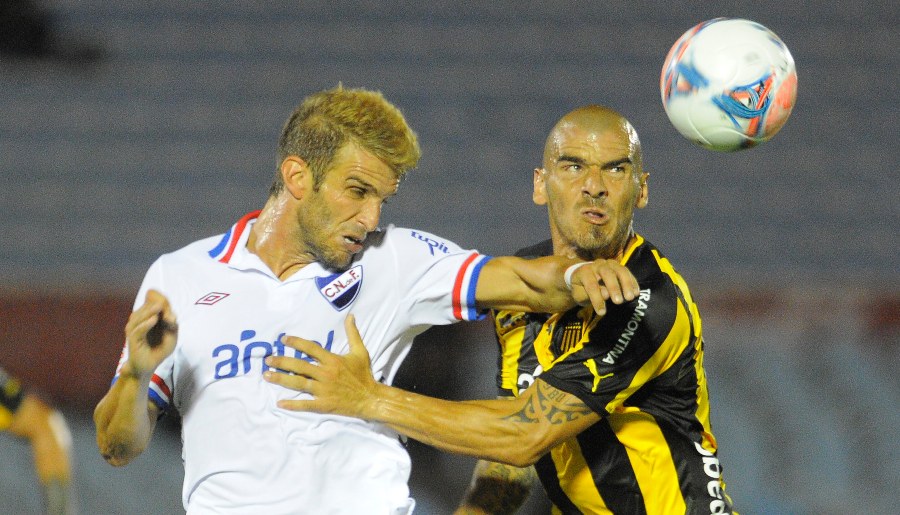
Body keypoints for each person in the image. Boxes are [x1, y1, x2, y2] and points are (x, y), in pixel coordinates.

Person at [93, 87, 640, 514]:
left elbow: (522, 279)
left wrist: (578, 275)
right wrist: (136, 374)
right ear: (296, 175)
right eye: (358, 191)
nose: (372, 218)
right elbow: (117, 447)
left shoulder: (391, 260)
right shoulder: (180, 276)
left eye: (383, 198)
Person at [264, 105, 736, 514]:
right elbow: (513, 451)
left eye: (615, 169)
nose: (594, 186)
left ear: (642, 189)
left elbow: (524, 434)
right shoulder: (522, 288)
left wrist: (370, 398)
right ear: (540, 184)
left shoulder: (649, 302)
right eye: (573, 166)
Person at [1, 365, 75, 515]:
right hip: (18, 411)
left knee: (50, 428)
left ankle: (57, 492)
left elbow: (9, 387)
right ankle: (56, 494)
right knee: (47, 427)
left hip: (20, 407)